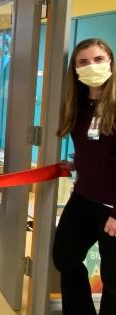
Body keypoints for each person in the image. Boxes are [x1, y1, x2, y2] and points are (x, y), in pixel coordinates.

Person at [53, 38, 116, 315]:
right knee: (65, 257)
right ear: (75, 69)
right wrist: (78, 163)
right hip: (84, 197)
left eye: (98, 59)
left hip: (112, 206)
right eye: (83, 62)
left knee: (113, 279)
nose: (92, 66)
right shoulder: (78, 104)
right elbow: (96, 146)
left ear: (111, 62)